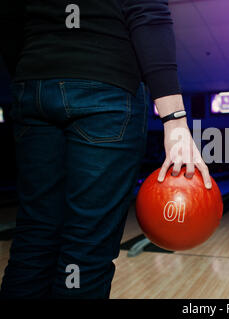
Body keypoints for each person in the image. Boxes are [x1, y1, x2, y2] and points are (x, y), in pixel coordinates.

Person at [0, 0, 210, 298]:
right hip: (105, 91)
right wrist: (174, 121)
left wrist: (36, 69)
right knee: (85, 252)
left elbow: (8, 15)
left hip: (33, 89)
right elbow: (146, 10)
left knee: (34, 240)